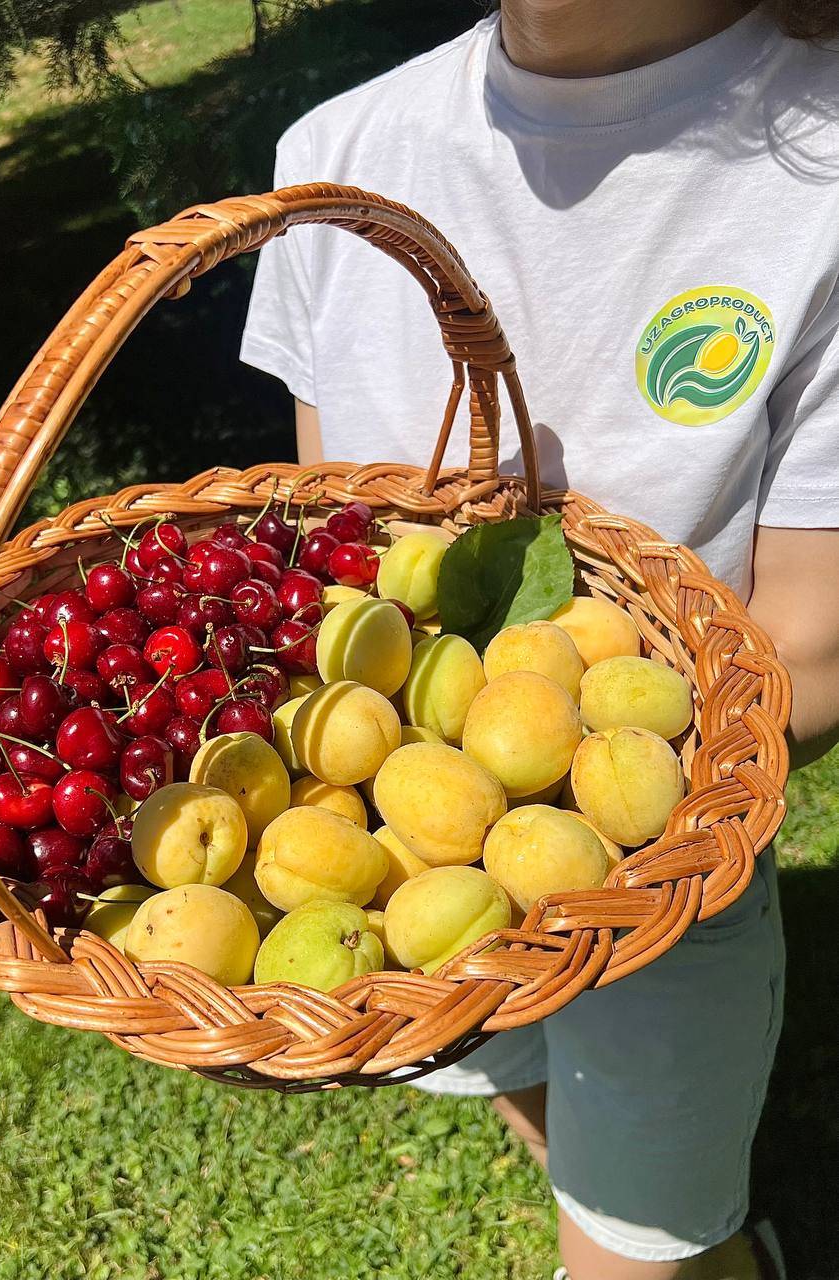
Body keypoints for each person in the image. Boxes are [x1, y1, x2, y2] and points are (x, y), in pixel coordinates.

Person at [240, 3, 839, 1277]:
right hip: (414, 867)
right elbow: (335, 561)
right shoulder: (335, 158)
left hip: (666, 880)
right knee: (548, 1111)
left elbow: (813, 650)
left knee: (637, 1247)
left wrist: (594, 843)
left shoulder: (820, 176)